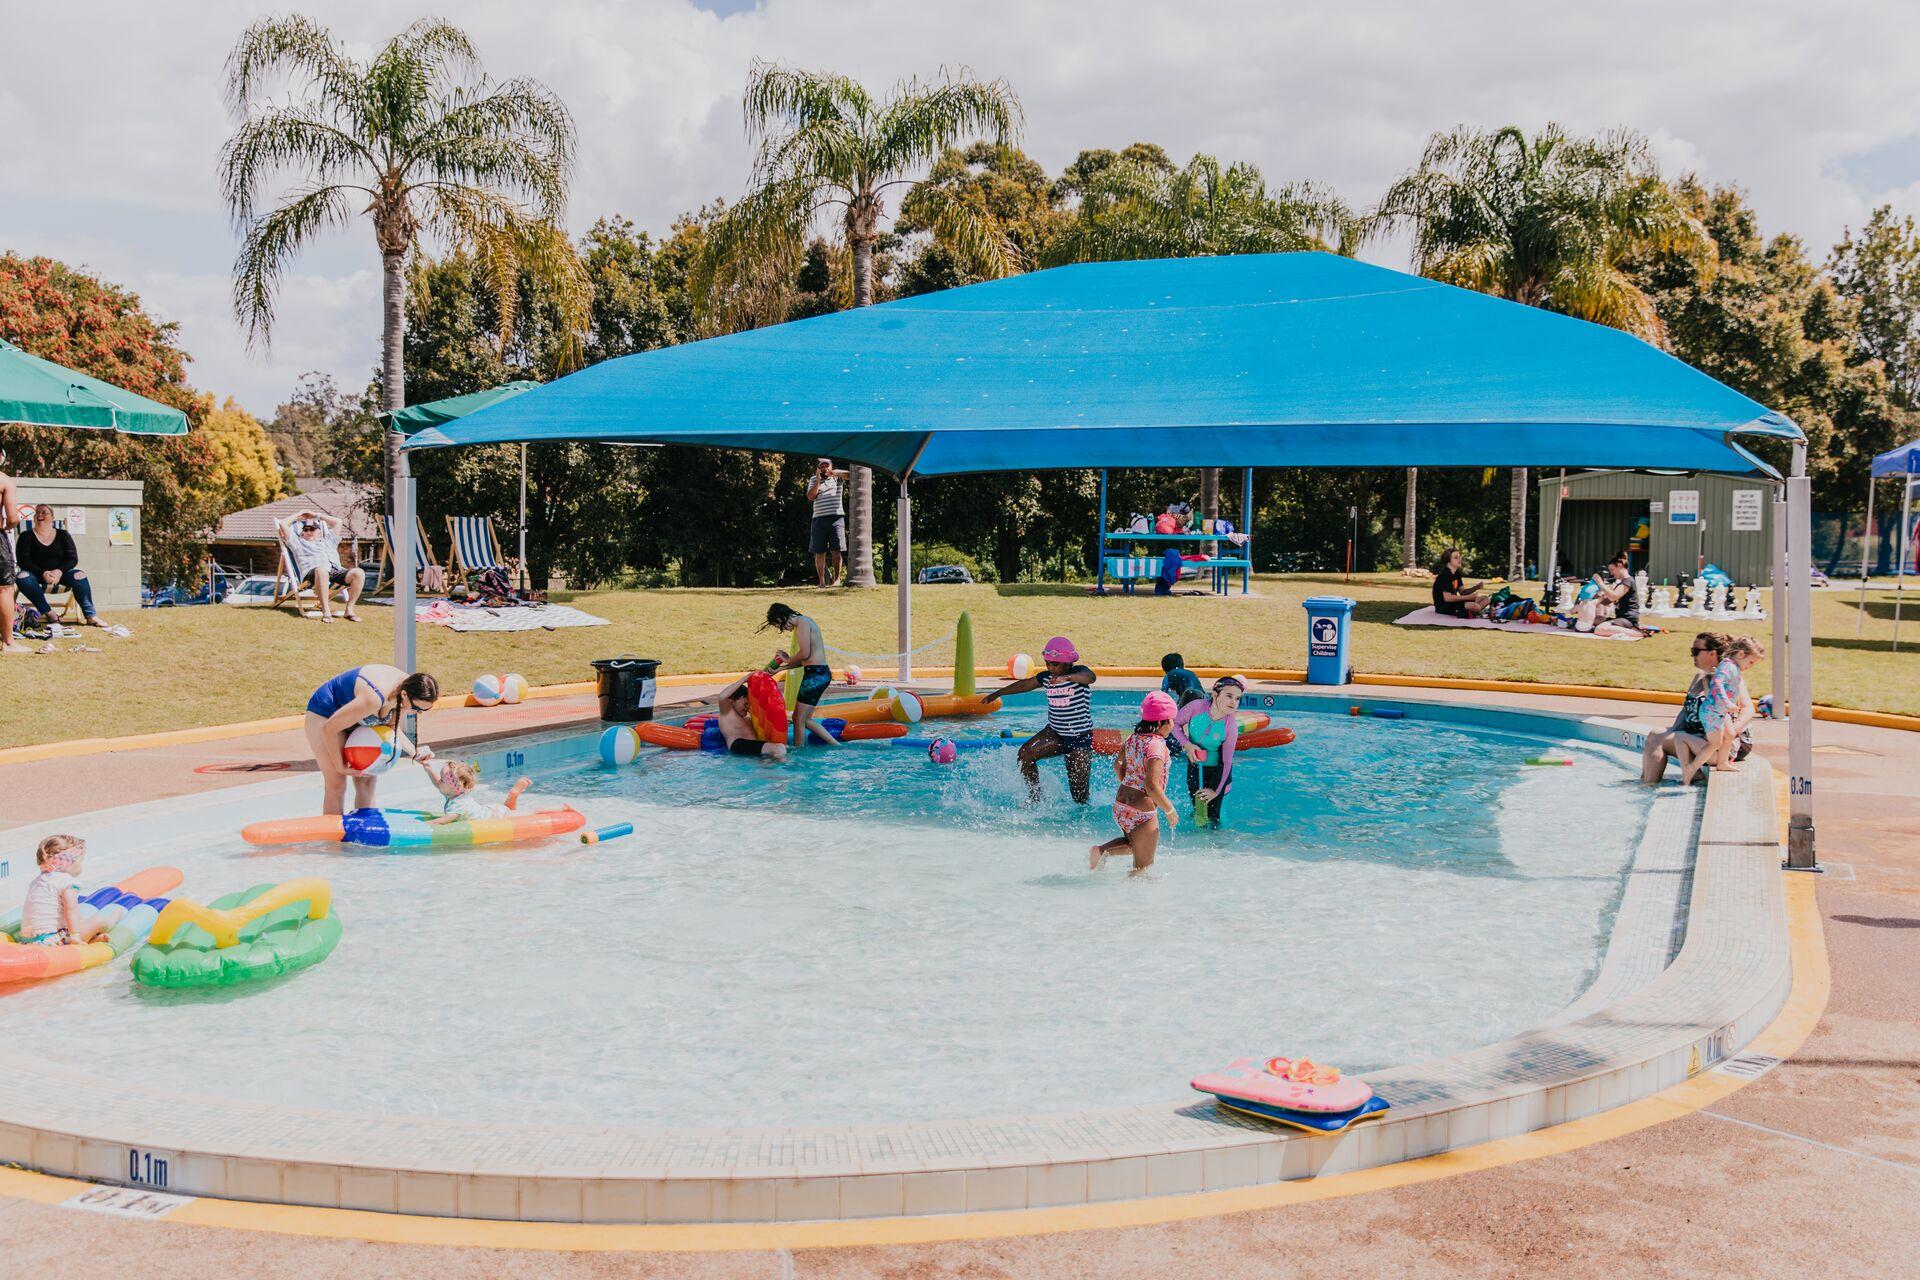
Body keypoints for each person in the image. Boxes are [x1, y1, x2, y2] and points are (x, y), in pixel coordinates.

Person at [303, 665, 439, 814]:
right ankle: (331, 837)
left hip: (356, 718)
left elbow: (391, 726)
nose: (418, 713)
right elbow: (329, 729)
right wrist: (339, 766)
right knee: (337, 783)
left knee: (367, 779)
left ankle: (364, 833)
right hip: (325, 715)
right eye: (417, 708)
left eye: (425, 710)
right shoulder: (374, 698)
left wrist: (415, 752)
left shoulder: (413, 687)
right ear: (405, 694)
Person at [982, 635, 1097, 804]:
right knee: (1025, 755)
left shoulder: (1078, 673)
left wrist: (1067, 678)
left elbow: (1090, 677)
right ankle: (1035, 796)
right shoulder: (1045, 678)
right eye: (1047, 663)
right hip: (1055, 734)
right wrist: (999, 693)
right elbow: (1024, 685)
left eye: (1055, 664)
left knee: (1079, 797)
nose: (1050, 667)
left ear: (1067, 662)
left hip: (1079, 739)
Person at [1089, 691, 1180, 872]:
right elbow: (1151, 786)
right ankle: (1134, 899)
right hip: (1141, 811)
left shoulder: (1134, 738)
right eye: (1171, 720)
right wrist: (1169, 810)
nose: (1173, 725)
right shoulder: (1157, 745)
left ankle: (1102, 851)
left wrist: (1130, 785)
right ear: (1161, 722)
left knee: (1134, 845)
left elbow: (1118, 765)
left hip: (1121, 804)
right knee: (1142, 870)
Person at [1641, 632, 1722, 785]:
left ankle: (1648, 786)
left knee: (1658, 739)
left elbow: (1745, 710)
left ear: (1713, 654)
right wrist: (1673, 729)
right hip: (1693, 738)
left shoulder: (1722, 681)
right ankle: (1645, 782)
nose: (1693, 656)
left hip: (1710, 745)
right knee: (1655, 734)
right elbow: (1686, 710)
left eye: (1696, 652)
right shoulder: (1699, 677)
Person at [1687, 636, 1765, 783]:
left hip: (1720, 712)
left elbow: (1747, 707)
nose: (1751, 666)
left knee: (1725, 737)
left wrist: (1727, 707)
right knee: (1715, 743)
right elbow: (1718, 684)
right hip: (1716, 711)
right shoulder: (1728, 667)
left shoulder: (1731, 668)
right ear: (1741, 654)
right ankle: (1691, 770)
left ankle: (1719, 763)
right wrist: (1727, 703)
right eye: (1751, 662)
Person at [761, 602, 838, 748]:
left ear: (780, 618)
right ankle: (836, 746)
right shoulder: (803, 623)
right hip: (817, 673)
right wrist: (781, 669)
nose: (783, 630)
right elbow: (805, 660)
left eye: (779, 627)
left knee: (797, 719)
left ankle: (799, 753)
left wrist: (787, 659)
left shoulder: (803, 623)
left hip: (815, 675)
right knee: (805, 720)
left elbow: (804, 653)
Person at [14, 504, 103, 626]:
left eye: (44, 512)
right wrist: (43, 573)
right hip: (35, 575)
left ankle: (90, 616)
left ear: (52, 517)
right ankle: (49, 613)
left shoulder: (63, 535)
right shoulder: (26, 536)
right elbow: (23, 561)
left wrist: (59, 571)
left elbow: (72, 559)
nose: (40, 515)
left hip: (62, 574)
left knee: (80, 575)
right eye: (37, 512)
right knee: (21, 577)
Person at [1173, 675, 1245, 827]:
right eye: (1229, 696)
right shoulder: (1196, 707)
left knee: (1217, 819)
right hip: (1195, 768)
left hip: (1219, 775)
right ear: (1215, 695)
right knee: (1199, 814)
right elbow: (1174, 724)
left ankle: (1220, 848)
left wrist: (1216, 791)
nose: (1233, 702)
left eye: (1238, 698)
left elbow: (1226, 762)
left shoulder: (1230, 726)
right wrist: (1187, 745)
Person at [18, 834, 107, 946]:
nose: (81, 864)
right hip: (53, 941)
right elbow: (71, 909)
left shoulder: (37, 881)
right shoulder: (66, 881)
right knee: (100, 920)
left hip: (28, 941)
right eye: (80, 860)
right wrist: (75, 936)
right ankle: (87, 938)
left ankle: (91, 938)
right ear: (68, 863)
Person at [278, 509, 364, 623]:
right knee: (321, 571)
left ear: (319, 532)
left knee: (359, 573)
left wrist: (317, 515)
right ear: (302, 533)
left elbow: (338, 522)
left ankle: (349, 610)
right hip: (313, 574)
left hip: (334, 571)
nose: (309, 531)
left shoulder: (328, 540)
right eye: (306, 530)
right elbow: (282, 524)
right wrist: (299, 514)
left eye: (312, 529)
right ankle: (326, 611)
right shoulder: (298, 543)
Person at [425, 759, 532, 823]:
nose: (439, 782)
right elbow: (438, 785)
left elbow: (445, 820)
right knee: (509, 810)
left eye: (442, 780)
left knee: (524, 816)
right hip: (489, 810)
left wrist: (427, 823)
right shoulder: (454, 793)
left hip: (494, 815)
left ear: (453, 786)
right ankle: (512, 796)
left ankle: (515, 797)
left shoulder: (458, 803)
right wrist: (429, 769)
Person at [714, 673, 789, 760]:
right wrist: (745, 678)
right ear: (733, 700)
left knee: (775, 752)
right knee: (779, 749)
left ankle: (771, 772)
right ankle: (788, 771)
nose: (747, 707)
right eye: (745, 703)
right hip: (738, 744)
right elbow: (722, 696)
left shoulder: (749, 718)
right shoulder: (727, 712)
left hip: (754, 747)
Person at [1576, 555, 1643, 636]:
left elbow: (1613, 596)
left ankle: (1638, 633)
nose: (1611, 573)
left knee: (1600, 629)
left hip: (1627, 619)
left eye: (1612, 570)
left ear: (1620, 566)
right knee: (1592, 619)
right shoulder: (1622, 582)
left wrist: (1600, 583)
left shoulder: (1628, 581)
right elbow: (1607, 601)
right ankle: (1622, 629)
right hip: (1619, 618)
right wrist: (1590, 598)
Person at [807, 458, 849, 587]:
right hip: (819, 519)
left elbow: (851, 475)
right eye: (822, 466)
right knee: (819, 552)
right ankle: (822, 582)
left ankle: (837, 580)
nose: (825, 468)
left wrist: (835, 472)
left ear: (831, 466)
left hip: (836, 518)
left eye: (827, 465)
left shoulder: (837, 478)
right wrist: (818, 480)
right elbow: (810, 496)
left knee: (836, 550)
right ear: (818, 468)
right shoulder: (813, 480)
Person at [0, 450, 24, 654]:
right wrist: (8, 525)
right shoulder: (5, 481)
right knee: (4, 589)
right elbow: (13, 518)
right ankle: (8, 642)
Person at [1431, 548, 1488, 618]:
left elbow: (1462, 592)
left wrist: (1476, 587)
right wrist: (1468, 597)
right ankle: (1470, 612)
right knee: (1476, 606)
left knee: (1486, 599)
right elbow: (1447, 598)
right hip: (1444, 606)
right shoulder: (1445, 575)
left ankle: (1468, 612)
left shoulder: (1456, 572)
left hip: (1454, 602)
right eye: (1455, 557)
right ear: (1448, 561)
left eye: (1459, 557)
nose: (1459, 559)